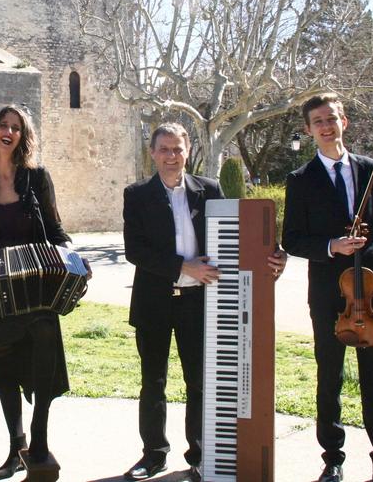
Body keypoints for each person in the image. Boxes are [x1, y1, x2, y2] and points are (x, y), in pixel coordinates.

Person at [122, 122, 286, 482]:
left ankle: (199, 455)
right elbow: (135, 250)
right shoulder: (136, 194)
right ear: (152, 153)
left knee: (198, 382)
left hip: (197, 304)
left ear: (188, 151)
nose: (171, 156)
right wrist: (184, 266)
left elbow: (238, 232)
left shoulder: (208, 190)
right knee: (154, 381)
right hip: (154, 302)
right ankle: (153, 455)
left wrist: (272, 254)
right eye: (164, 149)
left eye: (177, 149)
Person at [282, 93, 373, 482]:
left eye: (332, 119)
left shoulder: (369, 169)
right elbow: (292, 239)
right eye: (318, 122)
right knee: (330, 376)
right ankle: (333, 459)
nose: (326, 127)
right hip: (329, 292)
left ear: (344, 122)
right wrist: (332, 246)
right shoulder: (300, 180)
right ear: (309, 130)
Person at [0, 104, 87, 479]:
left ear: (23, 137)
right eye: (3, 126)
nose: (8, 132)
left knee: (43, 334)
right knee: (3, 363)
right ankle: (16, 445)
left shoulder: (37, 178)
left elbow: (56, 232)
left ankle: (39, 439)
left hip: (36, 290)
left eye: (16, 128)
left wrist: (72, 256)